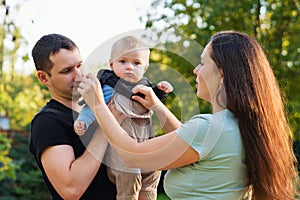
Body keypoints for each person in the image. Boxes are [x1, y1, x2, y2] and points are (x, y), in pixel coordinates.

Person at [78, 31, 299, 200]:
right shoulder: (240, 126)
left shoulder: (208, 128)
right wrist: (157, 106)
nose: (195, 70)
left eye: (202, 63)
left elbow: (132, 155)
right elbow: (188, 139)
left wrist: (97, 103)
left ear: (221, 74)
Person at [74, 35, 173, 200]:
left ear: (145, 68)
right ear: (112, 64)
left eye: (136, 63)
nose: (129, 67)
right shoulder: (108, 86)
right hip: (120, 151)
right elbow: (92, 107)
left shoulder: (145, 87)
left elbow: (155, 100)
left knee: (154, 172)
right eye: (123, 62)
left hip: (146, 143)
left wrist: (161, 90)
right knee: (129, 175)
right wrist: (83, 120)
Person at [28, 33, 116, 200]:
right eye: (67, 71)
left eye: (79, 65)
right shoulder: (47, 121)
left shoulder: (97, 106)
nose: (78, 75)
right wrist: (109, 122)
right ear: (44, 78)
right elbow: (71, 189)